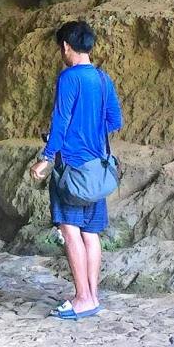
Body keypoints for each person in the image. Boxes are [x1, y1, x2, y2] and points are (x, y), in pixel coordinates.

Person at [29, 20, 123, 321]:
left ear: (67, 46)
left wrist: (46, 157)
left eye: (61, 47)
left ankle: (82, 298)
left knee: (70, 231)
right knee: (91, 233)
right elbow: (115, 121)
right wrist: (91, 130)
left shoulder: (69, 78)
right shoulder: (103, 78)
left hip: (72, 168)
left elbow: (60, 121)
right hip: (97, 169)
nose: (61, 52)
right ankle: (92, 295)